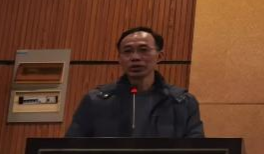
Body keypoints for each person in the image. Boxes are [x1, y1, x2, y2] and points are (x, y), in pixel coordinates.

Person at [66, 27, 204, 138]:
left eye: (143, 50)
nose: (135, 57)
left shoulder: (182, 102)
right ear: (119, 59)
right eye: (127, 51)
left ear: (159, 56)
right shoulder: (96, 101)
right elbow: (72, 148)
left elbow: (195, 151)